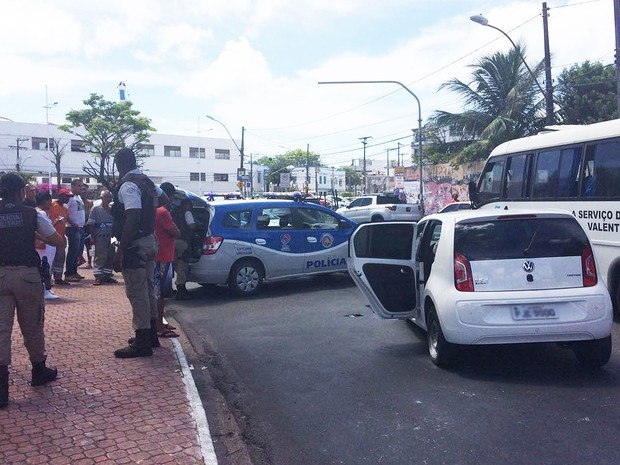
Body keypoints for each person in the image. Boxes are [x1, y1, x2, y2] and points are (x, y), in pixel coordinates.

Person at [0, 173, 66, 409]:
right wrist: (34, 234)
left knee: (1, 329)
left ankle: (2, 388)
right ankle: (39, 371)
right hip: (27, 277)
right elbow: (58, 242)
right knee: (32, 326)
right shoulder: (32, 214)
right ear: (19, 192)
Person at [112, 147, 167, 358]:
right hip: (151, 241)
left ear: (118, 164)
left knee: (137, 292)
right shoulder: (147, 182)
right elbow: (164, 201)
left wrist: (121, 250)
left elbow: (132, 217)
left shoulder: (128, 185)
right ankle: (151, 334)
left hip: (135, 245)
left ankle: (142, 339)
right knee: (148, 288)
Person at [154, 183, 181, 338]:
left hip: (162, 255)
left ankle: (160, 322)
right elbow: (175, 232)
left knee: (161, 293)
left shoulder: (156, 211)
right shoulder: (163, 212)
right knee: (160, 294)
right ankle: (159, 326)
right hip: (162, 257)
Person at [170, 195, 196, 301]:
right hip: (182, 242)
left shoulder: (175, 212)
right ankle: (181, 290)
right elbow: (191, 226)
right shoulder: (187, 213)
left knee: (176, 264)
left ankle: (177, 288)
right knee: (182, 264)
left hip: (173, 242)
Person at [87, 190, 116, 285]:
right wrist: (92, 236)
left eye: (110, 197)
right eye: (107, 197)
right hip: (100, 236)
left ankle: (107, 276)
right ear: (102, 198)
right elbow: (91, 224)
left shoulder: (112, 209)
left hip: (111, 237)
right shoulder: (95, 209)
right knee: (100, 256)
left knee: (110, 255)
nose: (109, 199)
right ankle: (98, 277)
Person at [35, 192, 59, 300]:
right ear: (45, 201)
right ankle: (44, 290)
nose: (51, 203)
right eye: (50, 201)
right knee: (45, 267)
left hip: (47, 244)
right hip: (45, 245)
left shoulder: (39, 212)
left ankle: (47, 289)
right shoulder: (41, 213)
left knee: (46, 266)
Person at [64, 179, 86, 282]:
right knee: (73, 251)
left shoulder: (79, 197)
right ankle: (68, 273)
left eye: (82, 186)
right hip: (72, 228)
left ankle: (74, 271)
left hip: (81, 228)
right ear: (72, 186)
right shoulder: (69, 198)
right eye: (79, 186)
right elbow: (65, 212)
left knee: (78, 251)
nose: (81, 188)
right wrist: (73, 223)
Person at [50, 189, 72, 286]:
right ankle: (48, 278)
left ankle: (58, 278)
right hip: (51, 237)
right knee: (51, 258)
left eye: (69, 197)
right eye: (66, 196)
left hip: (61, 237)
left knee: (60, 258)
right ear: (61, 195)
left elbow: (65, 222)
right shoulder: (52, 205)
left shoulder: (65, 208)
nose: (68, 199)